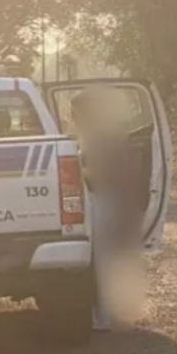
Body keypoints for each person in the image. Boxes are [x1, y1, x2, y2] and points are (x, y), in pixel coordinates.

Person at [70, 88, 144, 331]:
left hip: (101, 201)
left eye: (74, 111)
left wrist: (73, 172)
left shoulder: (96, 137)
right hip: (98, 201)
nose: (72, 116)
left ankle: (102, 318)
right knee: (100, 261)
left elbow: (100, 172)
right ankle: (103, 314)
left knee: (100, 262)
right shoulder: (91, 135)